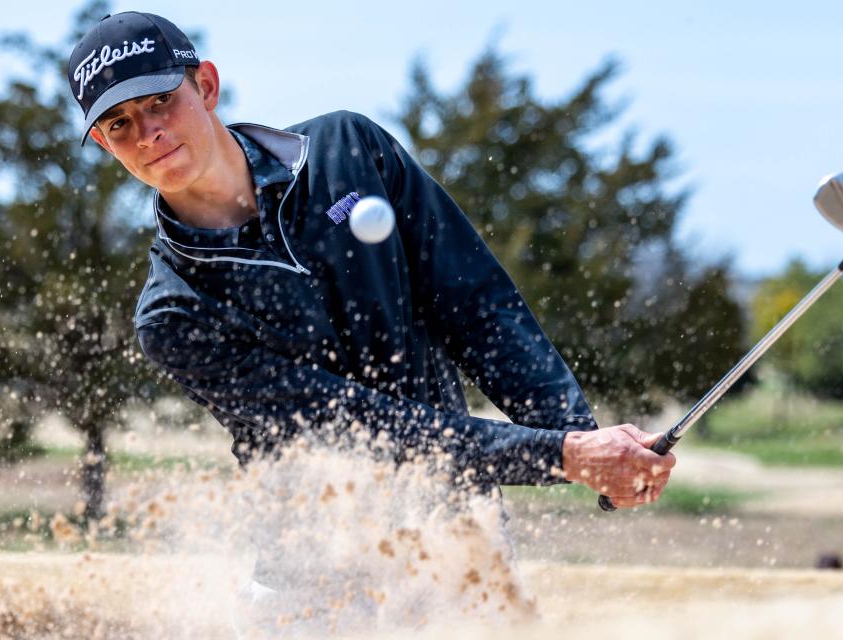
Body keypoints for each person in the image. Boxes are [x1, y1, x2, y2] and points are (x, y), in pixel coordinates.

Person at [67, 8, 674, 597]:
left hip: (463, 541)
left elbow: (478, 306)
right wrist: (565, 457)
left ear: (205, 85)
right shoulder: (174, 314)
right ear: (102, 142)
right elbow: (357, 429)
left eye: (159, 101)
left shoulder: (347, 150)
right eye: (119, 123)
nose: (149, 133)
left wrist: (584, 441)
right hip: (315, 581)